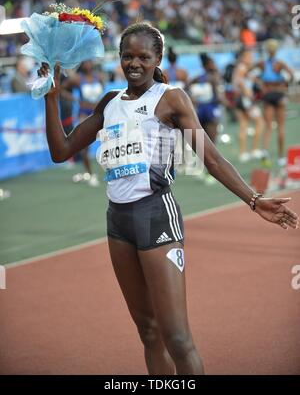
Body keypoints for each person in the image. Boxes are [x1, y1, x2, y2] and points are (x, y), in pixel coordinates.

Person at [38, 22, 298, 376]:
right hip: (118, 223)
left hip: (156, 216)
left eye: (144, 57)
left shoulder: (170, 98)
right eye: (127, 56)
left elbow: (211, 157)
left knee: (177, 337)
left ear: (157, 58)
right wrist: (51, 99)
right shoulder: (110, 102)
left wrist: (253, 200)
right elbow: (61, 150)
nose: (134, 63)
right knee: (148, 333)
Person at [248, 39, 294, 167]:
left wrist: (259, 83)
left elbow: (248, 72)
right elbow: (291, 75)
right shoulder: (279, 64)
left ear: (267, 50)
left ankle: (265, 152)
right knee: (281, 127)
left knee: (268, 126)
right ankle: (281, 157)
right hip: (278, 93)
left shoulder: (262, 63)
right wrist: (285, 85)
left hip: (267, 94)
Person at [232, 49, 264, 162]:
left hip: (240, 100)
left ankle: (242, 153)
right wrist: (248, 94)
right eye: (249, 56)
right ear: (243, 57)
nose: (251, 58)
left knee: (243, 125)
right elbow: (239, 83)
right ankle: (254, 150)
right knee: (260, 122)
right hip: (245, 99)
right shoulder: (242, 67)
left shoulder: (241, 68)